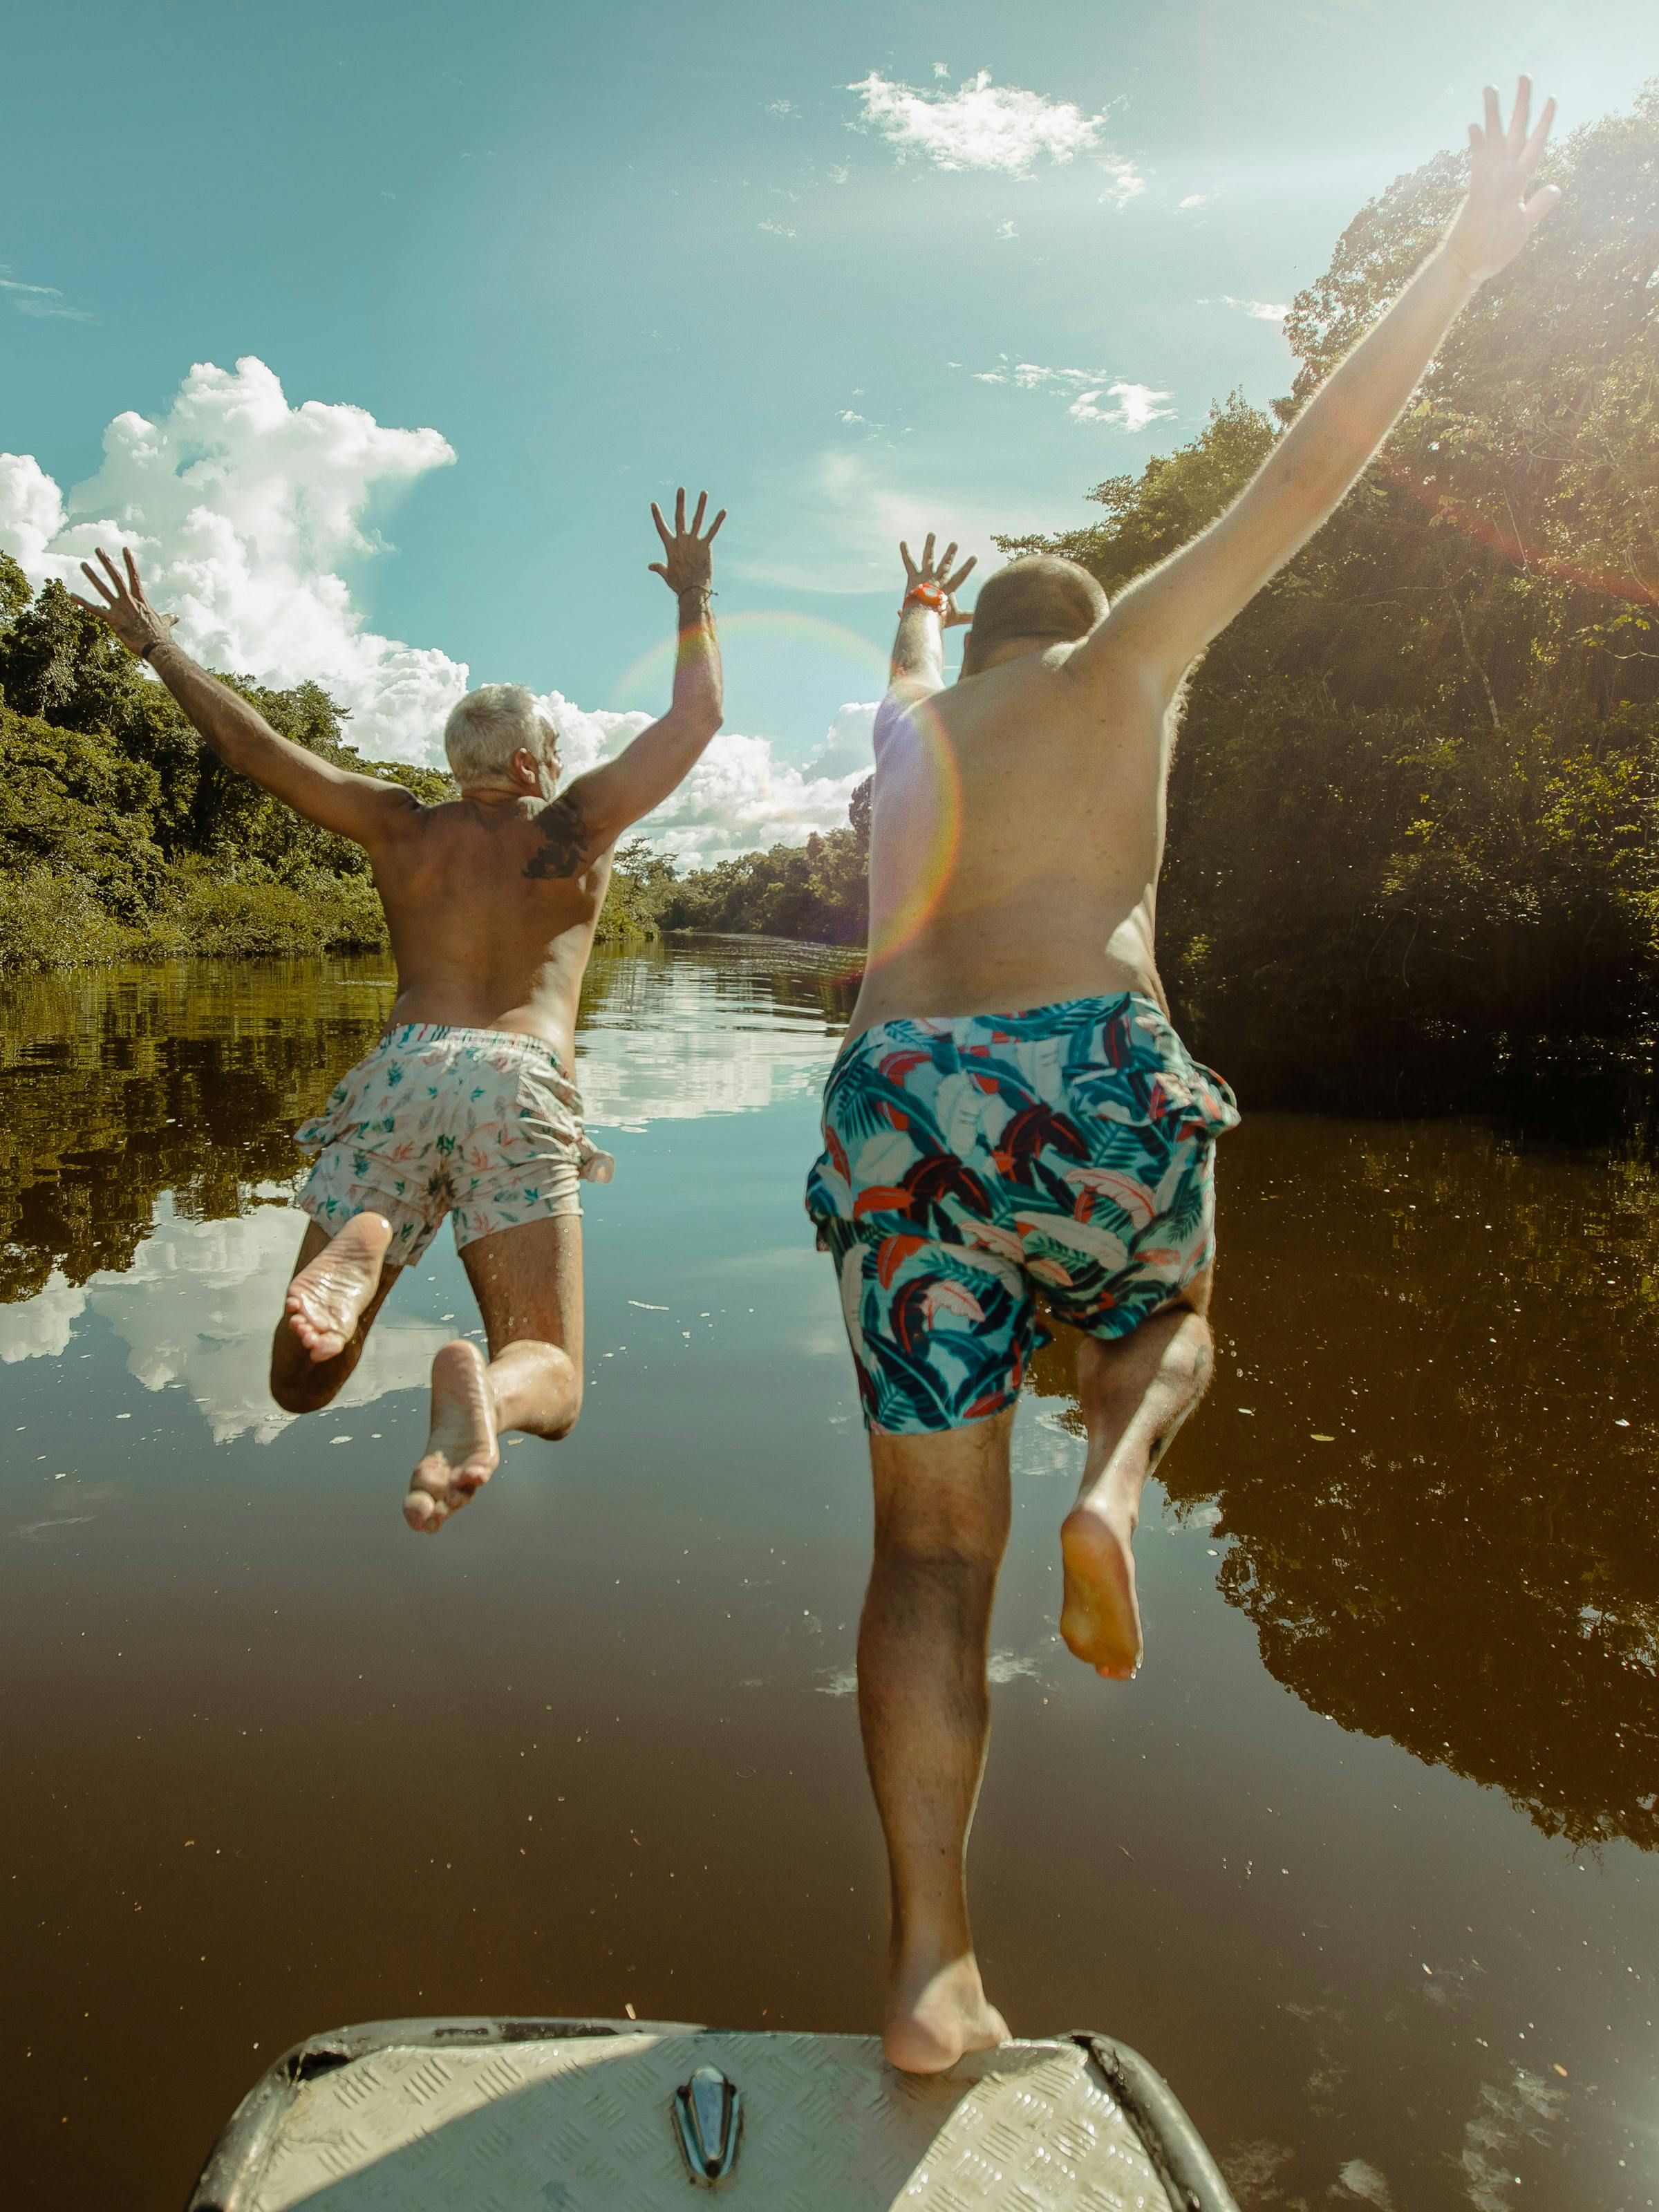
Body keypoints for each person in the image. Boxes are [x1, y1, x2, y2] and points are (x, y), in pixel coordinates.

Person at [805, 83, 1560, 2071]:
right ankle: (1119, 1479)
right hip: (1085, 1061)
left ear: (964, 638)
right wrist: (1469, 254)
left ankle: (926, 1973)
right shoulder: (1121, 661)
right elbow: (1306, 475)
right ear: (1091, 632)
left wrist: (915, 595)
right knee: (1170, 1318)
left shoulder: (903, 747)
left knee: (920, 1557)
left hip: (896, 1101)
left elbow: (903, 657)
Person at [73, 491, 726, 1533]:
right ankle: (492, 1397)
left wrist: (157, 643)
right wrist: (693, 594)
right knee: (549, 1366)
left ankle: (371, 1229)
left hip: (401, 1071)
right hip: (517, 1073)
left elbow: (255, 751)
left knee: (299, 1384)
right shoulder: (577, 827)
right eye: (548, 750)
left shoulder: (398, 827)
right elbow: (696, 721)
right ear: (528, 764)